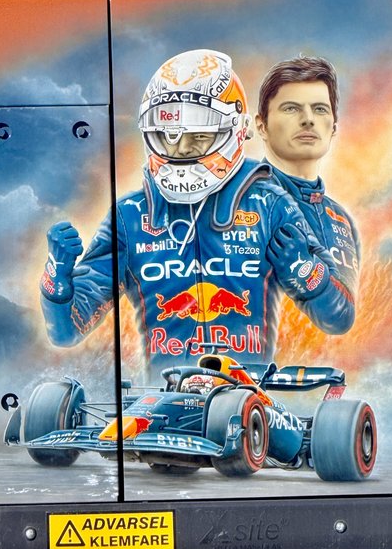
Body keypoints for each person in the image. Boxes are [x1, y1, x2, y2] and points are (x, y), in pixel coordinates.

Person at [39, 49, 355, 377]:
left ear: (235, 130)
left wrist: (305, 271)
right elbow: (66, 331)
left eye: (199, 135)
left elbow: (338, 318)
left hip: (246, 401)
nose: (181, 149)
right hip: (164, 401)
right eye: (168, 136)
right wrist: (57, 278)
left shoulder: (270, 204)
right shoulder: (129, 216)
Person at [256, 56, 360, 307]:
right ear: (262, 125)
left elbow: (348, 314)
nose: (308, 119)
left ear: (333, 128)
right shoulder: (236, 202)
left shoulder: (342, 220)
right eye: (291, 108)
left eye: (320, 109)